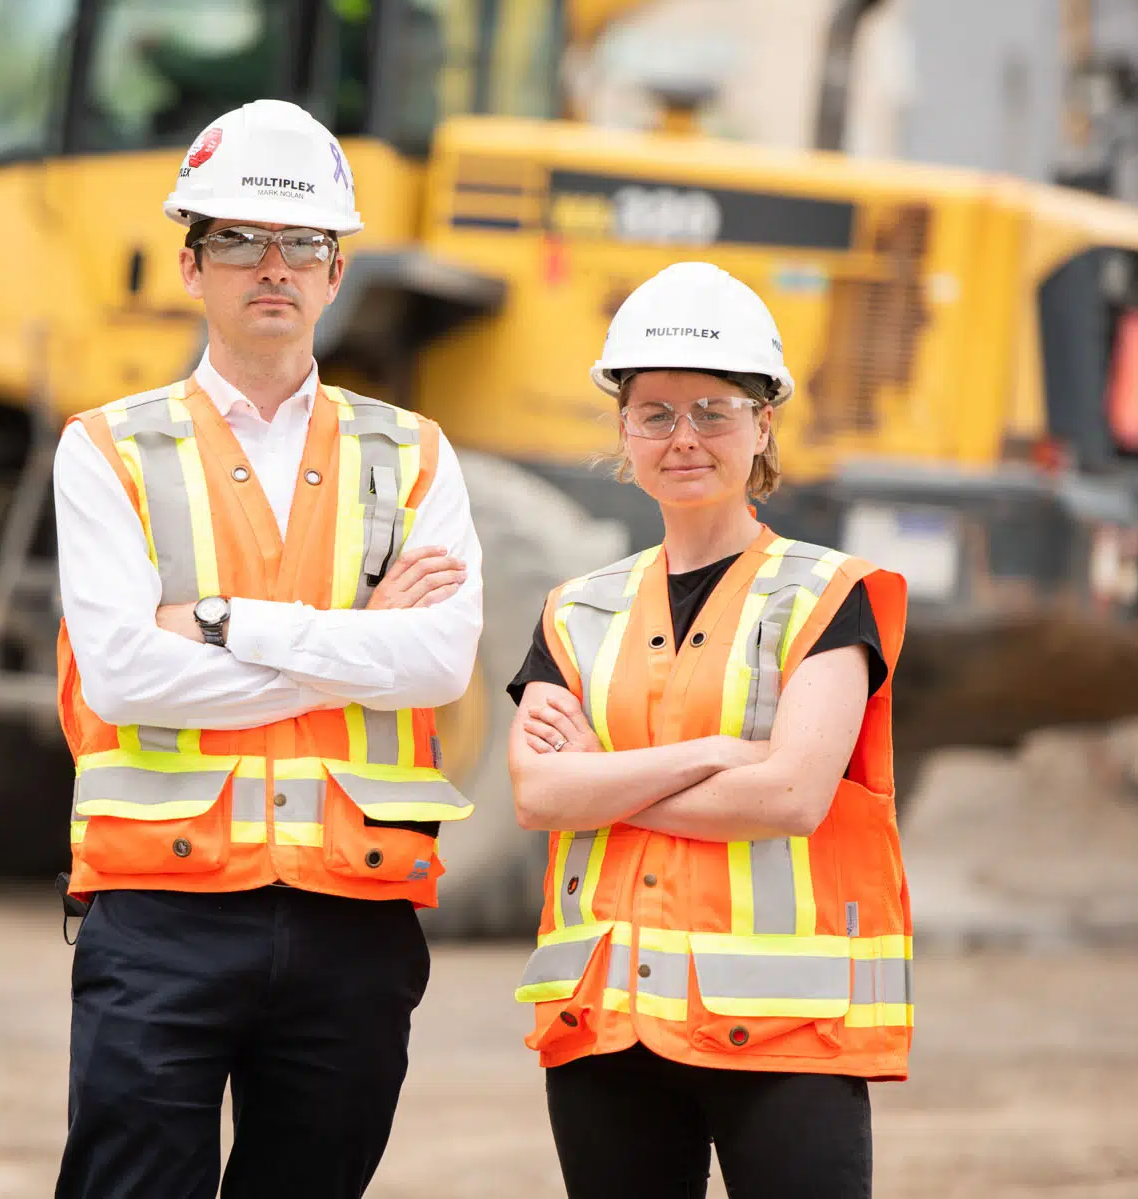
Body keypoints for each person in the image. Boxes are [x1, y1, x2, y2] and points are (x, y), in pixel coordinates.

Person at [50, 97, 485, 1199]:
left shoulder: (414, 453)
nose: (271, 266)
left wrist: (220, 621)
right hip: (162, 910)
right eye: (238, 240)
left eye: (301, 244)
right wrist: (355, 643)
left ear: (337, 273)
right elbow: (122, 674)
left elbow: (437, 664)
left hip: (354, 916)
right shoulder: (106, 450)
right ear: (191, 266)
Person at [504, 261, 911, 1199]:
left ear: (763, 423)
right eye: (655, 413)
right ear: (625, 430)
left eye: (714, 410)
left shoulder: (826, 594)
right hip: (609, 1029)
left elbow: (790, 795)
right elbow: (538, 793)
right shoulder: (576, 611)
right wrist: (711, 753)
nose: (683, 437)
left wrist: (608, 777)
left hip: (786, 1036)